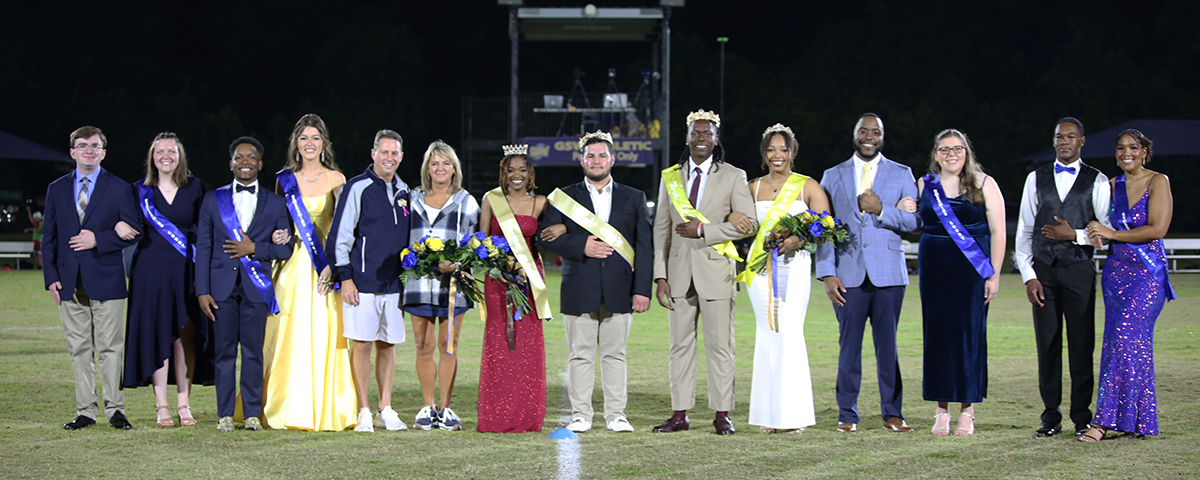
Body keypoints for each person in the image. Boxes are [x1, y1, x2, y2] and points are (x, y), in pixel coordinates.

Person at [539, 132, 653, 433]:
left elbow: (645, 247)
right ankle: (581, 415)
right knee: (580, 354)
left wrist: (642, 290)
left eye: (602, 155)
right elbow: (546, 236)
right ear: (582, 161)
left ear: (612, 160)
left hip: (621, 288)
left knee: (616, 354)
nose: (596, 160)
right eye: (590, 156)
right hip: (579, 285)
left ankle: (616, 415)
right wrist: (581, 246)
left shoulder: (635, 196)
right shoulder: (564, 197)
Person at [652, 110, 757, 435]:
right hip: (679, 275)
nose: (701, 138)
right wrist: (660, 276)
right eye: (695, 133)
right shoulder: (670, 176)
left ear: (716, 139)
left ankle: (722, 414)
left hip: (717, 273)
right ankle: (679, 414)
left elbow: (749, 224)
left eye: (707, 134)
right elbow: (661, 230)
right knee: (679, 346)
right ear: (687, 138)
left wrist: (705, 232)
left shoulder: (734, 175)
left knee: (720, 346)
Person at [815, 113, 921, 434]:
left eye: (876, 132)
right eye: (864, 131)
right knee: (849, 349)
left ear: (883, 136)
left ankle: (892, 413)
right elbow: (823, 228)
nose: (869, 136)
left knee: (887, 348)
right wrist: (826, 273)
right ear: (855, 134)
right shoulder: (832, 176)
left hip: (889, 275)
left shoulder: (902, 174)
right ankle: (847, 413)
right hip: (847, 276)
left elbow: (915, 224)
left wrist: (881, 210)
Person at [1013, 117, 1110, 438]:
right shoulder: (1035, 178)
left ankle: (1082, 416)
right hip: (1043, 272)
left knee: (1082, 344)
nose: (1064, 141)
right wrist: (1029, 276)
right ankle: (1049, 416)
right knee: (1048, 345)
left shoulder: (1097, 181)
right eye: (1059, 137)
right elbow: (1025, 229)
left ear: (1082, 141)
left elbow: (1106, 233)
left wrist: (1075, 235)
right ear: (1053, 141)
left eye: (1071, 136)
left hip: (1079, 270)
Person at [904, 129, 1005, 436]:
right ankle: (941, 411)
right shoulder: (925, 184)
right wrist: (904, 206)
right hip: (935, 267)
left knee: (969, 336)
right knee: (937, 336)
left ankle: (967, 411)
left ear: (966, 151)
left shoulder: (985, 183)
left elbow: (999, 231)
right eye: (944, 150)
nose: (951, 155)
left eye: (957, 149)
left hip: (971, 269)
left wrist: (995, 274)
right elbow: (915, 224)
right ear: (936, 154)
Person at [262, 113, 357, 431]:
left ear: (324, 143)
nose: (309, 144)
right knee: (285, 333)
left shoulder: (338, 179)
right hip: (291, 267)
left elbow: (345, 229)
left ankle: (329, 408)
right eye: (303, 138)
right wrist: (277, 235)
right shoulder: (283, 180)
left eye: (315, 138)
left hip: (324, 268)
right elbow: (278, 223)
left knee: (324, 333)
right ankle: (282, 406)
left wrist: (336, 268)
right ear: (296, 144)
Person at [43, 125, 142, 430]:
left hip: (107, 279)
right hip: (69, 281)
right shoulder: (56, 188)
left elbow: (132, 229)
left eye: (96, 146)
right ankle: (86, 410)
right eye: (83, 145)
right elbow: (49, 236)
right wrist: (51, 278)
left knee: (111, 348)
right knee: (79, 349)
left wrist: (98, 239)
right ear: (72, 152)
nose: (90, 150)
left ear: (104, 152)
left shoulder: (120, 187)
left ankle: (115, 409)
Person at [1078, 129, 1174, 442]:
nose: (1126, 153)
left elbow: (1157, 228)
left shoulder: (1158, 181)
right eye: (1121, 148)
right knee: (1125, 346)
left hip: (1147, 277)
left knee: (1126, 340)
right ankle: (1136, 423)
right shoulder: (1109, 186)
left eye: (1133, 147)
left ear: (1145, 150)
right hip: (1116, 275)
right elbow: (1103, 232)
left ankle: (1102, 422)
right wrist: (1096, 234)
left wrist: (1113, 233)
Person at [196, 136, 293, 432]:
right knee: (224, 353)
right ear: (231, 164)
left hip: (256, 289)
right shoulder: (213, 199)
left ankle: (251, 413)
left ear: (260, 164)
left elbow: (285, 249)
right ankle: (224, 414)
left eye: (251, 157)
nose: (245, 162)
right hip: (221, 290)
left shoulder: (276, 203)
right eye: (239, 157)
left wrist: (255, 249)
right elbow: (203, 247)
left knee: (252, 352)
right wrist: (202, 290)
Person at [740, 124, 829, 434]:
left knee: (789, 333)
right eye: (771, 149)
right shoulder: (751, 187)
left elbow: (825, 225)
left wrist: (798, 239)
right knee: (767, 335)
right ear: (764, 154)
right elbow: (738, 220)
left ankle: (793, 417)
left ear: (793, 152)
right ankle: (768, 415)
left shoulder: (807, 186)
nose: (777, 155)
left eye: (783, 149)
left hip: (795, 267)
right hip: (760, 270)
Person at [122, 133, 214, 429]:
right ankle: (162, 404)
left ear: (180, 156)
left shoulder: (196, 187)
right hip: (150, 274)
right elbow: (128, 224)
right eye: (159, 151)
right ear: (152, 156)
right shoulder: (139, 191)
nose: (165, 156)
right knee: (157, 334)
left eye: (171, 151)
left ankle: (183, 404)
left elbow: (207, 228)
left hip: (188, 272)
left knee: (185, 336)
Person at [326, 129, 412, 432]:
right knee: (361, 345)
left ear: (401, 157)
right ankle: (363, 410)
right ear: (373, 154)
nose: (389, 157)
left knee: (387, 346)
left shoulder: (405, 191)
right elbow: (340, 236)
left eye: (395, 153)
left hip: (394, 284)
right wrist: (345, 277)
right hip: (362, 283)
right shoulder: (357, 187)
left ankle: (385, 408)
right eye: (384, 152)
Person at [476, 144, 552, 433]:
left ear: (530, 173)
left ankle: (527, 415)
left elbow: (550, 237)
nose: (516, 175)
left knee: (527, 349)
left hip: (530, 282)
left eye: (522, 170)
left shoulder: (542, 203)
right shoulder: (491, 200)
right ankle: (497, 415)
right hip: (498, 280)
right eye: (511, 170)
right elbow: (481, 241)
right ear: (503, 174)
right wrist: (496, 265)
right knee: (499, 347)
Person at [404, 140, 479, 431]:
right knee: (423, 345)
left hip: (454, 285)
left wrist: (457, 265)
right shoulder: (411, 198)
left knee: (449, 345)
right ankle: (427, 407)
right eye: (434, 163)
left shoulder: (466, 201)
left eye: (446, 163)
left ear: (454, 168)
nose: (440, 168)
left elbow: (474, 244)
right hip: (419, 283)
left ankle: (446, 409)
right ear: (427, 168)